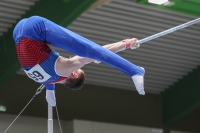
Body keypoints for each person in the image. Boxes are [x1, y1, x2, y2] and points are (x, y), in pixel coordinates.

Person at [13, 16, 145, 106]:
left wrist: (125, 44)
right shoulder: (44, 80)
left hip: (33, 29)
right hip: (17, 33)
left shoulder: (64, 69)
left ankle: (133, 70)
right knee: (91, 53)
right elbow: (48, 81)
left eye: (79, 67)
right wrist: (50, 91)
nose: (72, 59)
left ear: (74, 74)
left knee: (89, 50)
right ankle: (133, 70)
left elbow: (96, 51)